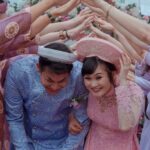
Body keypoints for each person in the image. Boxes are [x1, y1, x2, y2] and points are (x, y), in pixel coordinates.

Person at [4, 42, 89, 150]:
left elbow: (82, 116)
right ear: (38, 67)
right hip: (27, 140)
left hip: (64, 140)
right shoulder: (19, 73)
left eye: (62, 81)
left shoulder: (79, 76)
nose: (55, 87)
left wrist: (67, 148)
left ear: (71, 72)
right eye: (49, 80)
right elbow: (14, 118)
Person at [74, 37, 145, 150]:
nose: (93, 84)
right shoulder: (90, 89)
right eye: (88, 78)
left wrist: (122, 82)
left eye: (98, 77)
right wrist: (71, 117)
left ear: (112, 74)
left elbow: (126, 125)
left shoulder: (133, 91)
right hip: (92, 144)